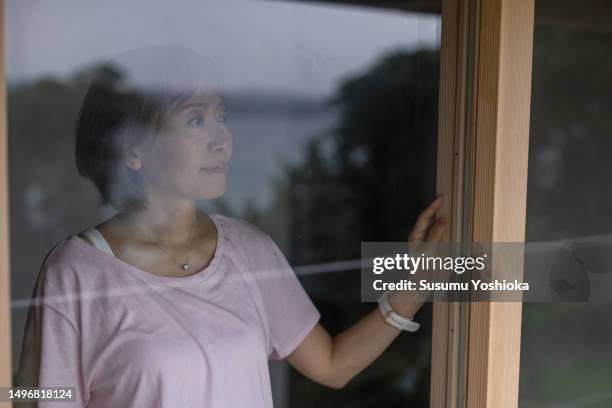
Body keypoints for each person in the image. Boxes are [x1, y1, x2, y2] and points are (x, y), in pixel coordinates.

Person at [16, 43, 446, 407]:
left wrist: (411, 291)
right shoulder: (76, 273)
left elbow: (331, 366)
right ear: (133, 149)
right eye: (195, 120)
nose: (221, 139)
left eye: (221, 117)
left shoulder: (248, 248)